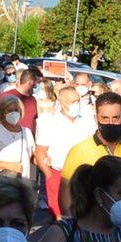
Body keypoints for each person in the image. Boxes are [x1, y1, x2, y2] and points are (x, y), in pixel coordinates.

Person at [58, 90, 121, 220]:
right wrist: (73, 228)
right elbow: (66, 192)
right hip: (90, 227)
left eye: (116, 118)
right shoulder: (79, 151)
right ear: (96, 119)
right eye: (105, 118)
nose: (110, 123)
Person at [34, 82, 93, 220]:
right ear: (62, 102)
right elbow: (40, 151)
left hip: (82, 174)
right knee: (59, 216)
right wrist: (49, 175)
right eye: (72, 101)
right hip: (58, 174)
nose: (76, 104)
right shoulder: (50, 122)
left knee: (82, 213)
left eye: (78, 100)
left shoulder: (87, 122)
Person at [0, 93, 37, 196]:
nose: (13, 113)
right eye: (9, 110)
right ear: (2, 112)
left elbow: (32, 159)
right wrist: (8, 165)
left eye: (16, 110)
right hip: (2, 184)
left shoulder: (27, 132)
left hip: (24, 185)